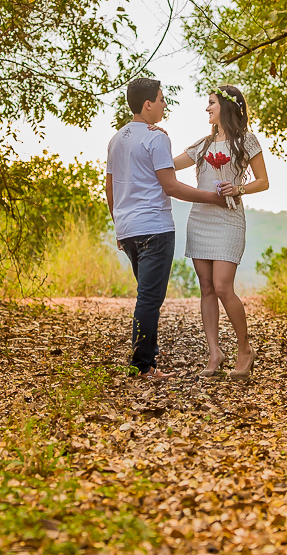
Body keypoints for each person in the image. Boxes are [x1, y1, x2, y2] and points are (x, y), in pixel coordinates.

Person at [105, 78, 225, 381]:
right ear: (148, 104)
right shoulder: (156, 138)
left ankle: (148, 358)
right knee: (149, 299)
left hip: (129, 230)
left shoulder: (116, 139)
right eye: (161, 99)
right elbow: (171, 186)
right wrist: (212, 198)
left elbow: (110, 188)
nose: (164, 104)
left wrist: (119, 226)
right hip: (154, 228)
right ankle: (142, 366)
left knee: (146, 295)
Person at [163, 85, 269, 381]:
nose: (207, 108)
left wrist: (239, 188)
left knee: (223, 287)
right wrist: (155, 140)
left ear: (225, 105)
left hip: (228, 219)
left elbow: (263, 181)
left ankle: (245, 349)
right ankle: (214, 353)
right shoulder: (203, 144)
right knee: (207, 288)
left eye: (211, 103)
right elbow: (169, 165)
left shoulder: (247, 140)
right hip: (200, 220)